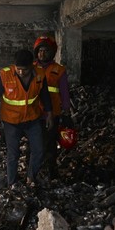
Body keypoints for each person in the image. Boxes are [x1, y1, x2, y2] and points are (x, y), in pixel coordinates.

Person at [0, 49, 53, 188]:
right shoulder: (4, 76)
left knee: (39, 150)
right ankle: (12, 183)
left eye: (25, 69)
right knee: (13, 153)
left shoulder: (39, 74)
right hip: (11, 121)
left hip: (32, 118)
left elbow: (45, 95)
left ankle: (31, 178)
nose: (21, 72)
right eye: (18, 69)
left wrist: (49, 114)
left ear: (32, 66)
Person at [33, 35, 72, 180]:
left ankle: (51, 171)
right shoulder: (31, 67)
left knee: (49, 144)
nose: (42, 53)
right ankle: (34, 172)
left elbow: (64, 92)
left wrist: (66, 112)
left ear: (52, 52)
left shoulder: (59, 70)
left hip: (52, 113)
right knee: (35, 144)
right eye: (40, 50)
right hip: (34, 114)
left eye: (46, 50)